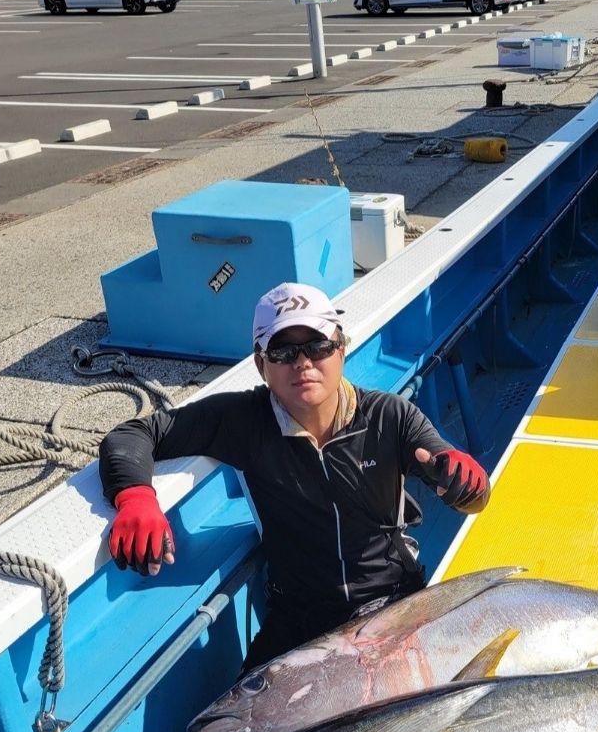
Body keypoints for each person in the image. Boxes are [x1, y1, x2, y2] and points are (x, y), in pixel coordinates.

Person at [99, 281, 491, 672]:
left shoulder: (391, 416)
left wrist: (469, 488)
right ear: (260, 363)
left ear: (341, 348)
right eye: (283, 351)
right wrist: (135, 498)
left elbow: (468, 491)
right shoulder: (244, 422)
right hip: (298, 614)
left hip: (393, 599)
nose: (302, 362)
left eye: (318, 346)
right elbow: (135, 434)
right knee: (239, 728)